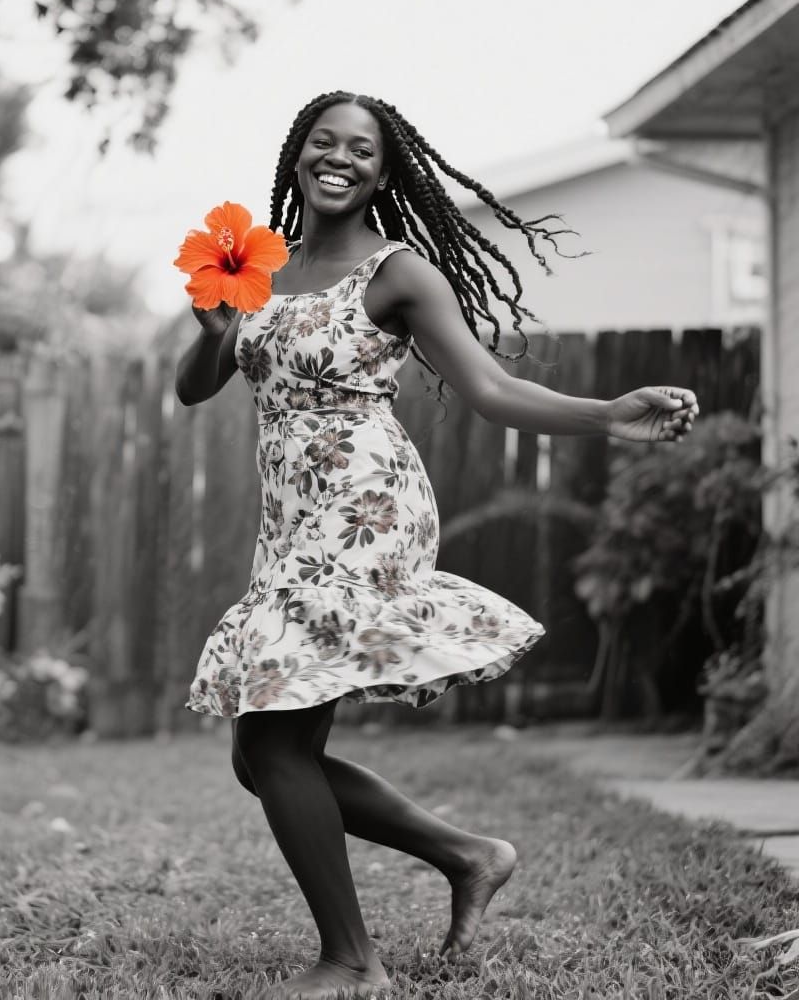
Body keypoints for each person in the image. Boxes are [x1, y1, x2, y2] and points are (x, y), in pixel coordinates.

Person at [174, 90, 699, 1000]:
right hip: (291, 518)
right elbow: (196, 386)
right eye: (321, 141)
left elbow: (491, 388)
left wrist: (607, 415)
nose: (338, 157)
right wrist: (218, 331)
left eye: (361, 149)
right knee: (261, 756)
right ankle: (469, 855)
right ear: (296, 154)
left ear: (386, 170)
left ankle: (351, 962)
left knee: (271, 737)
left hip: (363, 504)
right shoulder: (261, 265)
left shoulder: (398, 271)